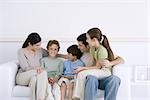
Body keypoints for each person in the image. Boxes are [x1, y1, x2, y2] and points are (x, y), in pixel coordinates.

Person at [73, 28, 123, 100]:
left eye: (87, 39)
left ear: (94, 40)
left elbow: (98, 67)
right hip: (95, 76)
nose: (87, 41)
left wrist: (110, 63)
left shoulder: (102, 50)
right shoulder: (92, 49)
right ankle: (78, 96)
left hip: (104, 73)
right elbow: (91, 64)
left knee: (115, 79)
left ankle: (77, 97)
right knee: (86, 76)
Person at [16, 32, 49, 100]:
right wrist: (37, 68)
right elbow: (25, 68)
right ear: (30, 44)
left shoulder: (40, 50)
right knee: (43, 72)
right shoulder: (21, 51)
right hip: (22, 77)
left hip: (35, 75)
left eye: (39, 45)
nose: (39, 47)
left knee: (34, 80)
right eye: (37, 45)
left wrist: (65, 56)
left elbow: (52, 54)